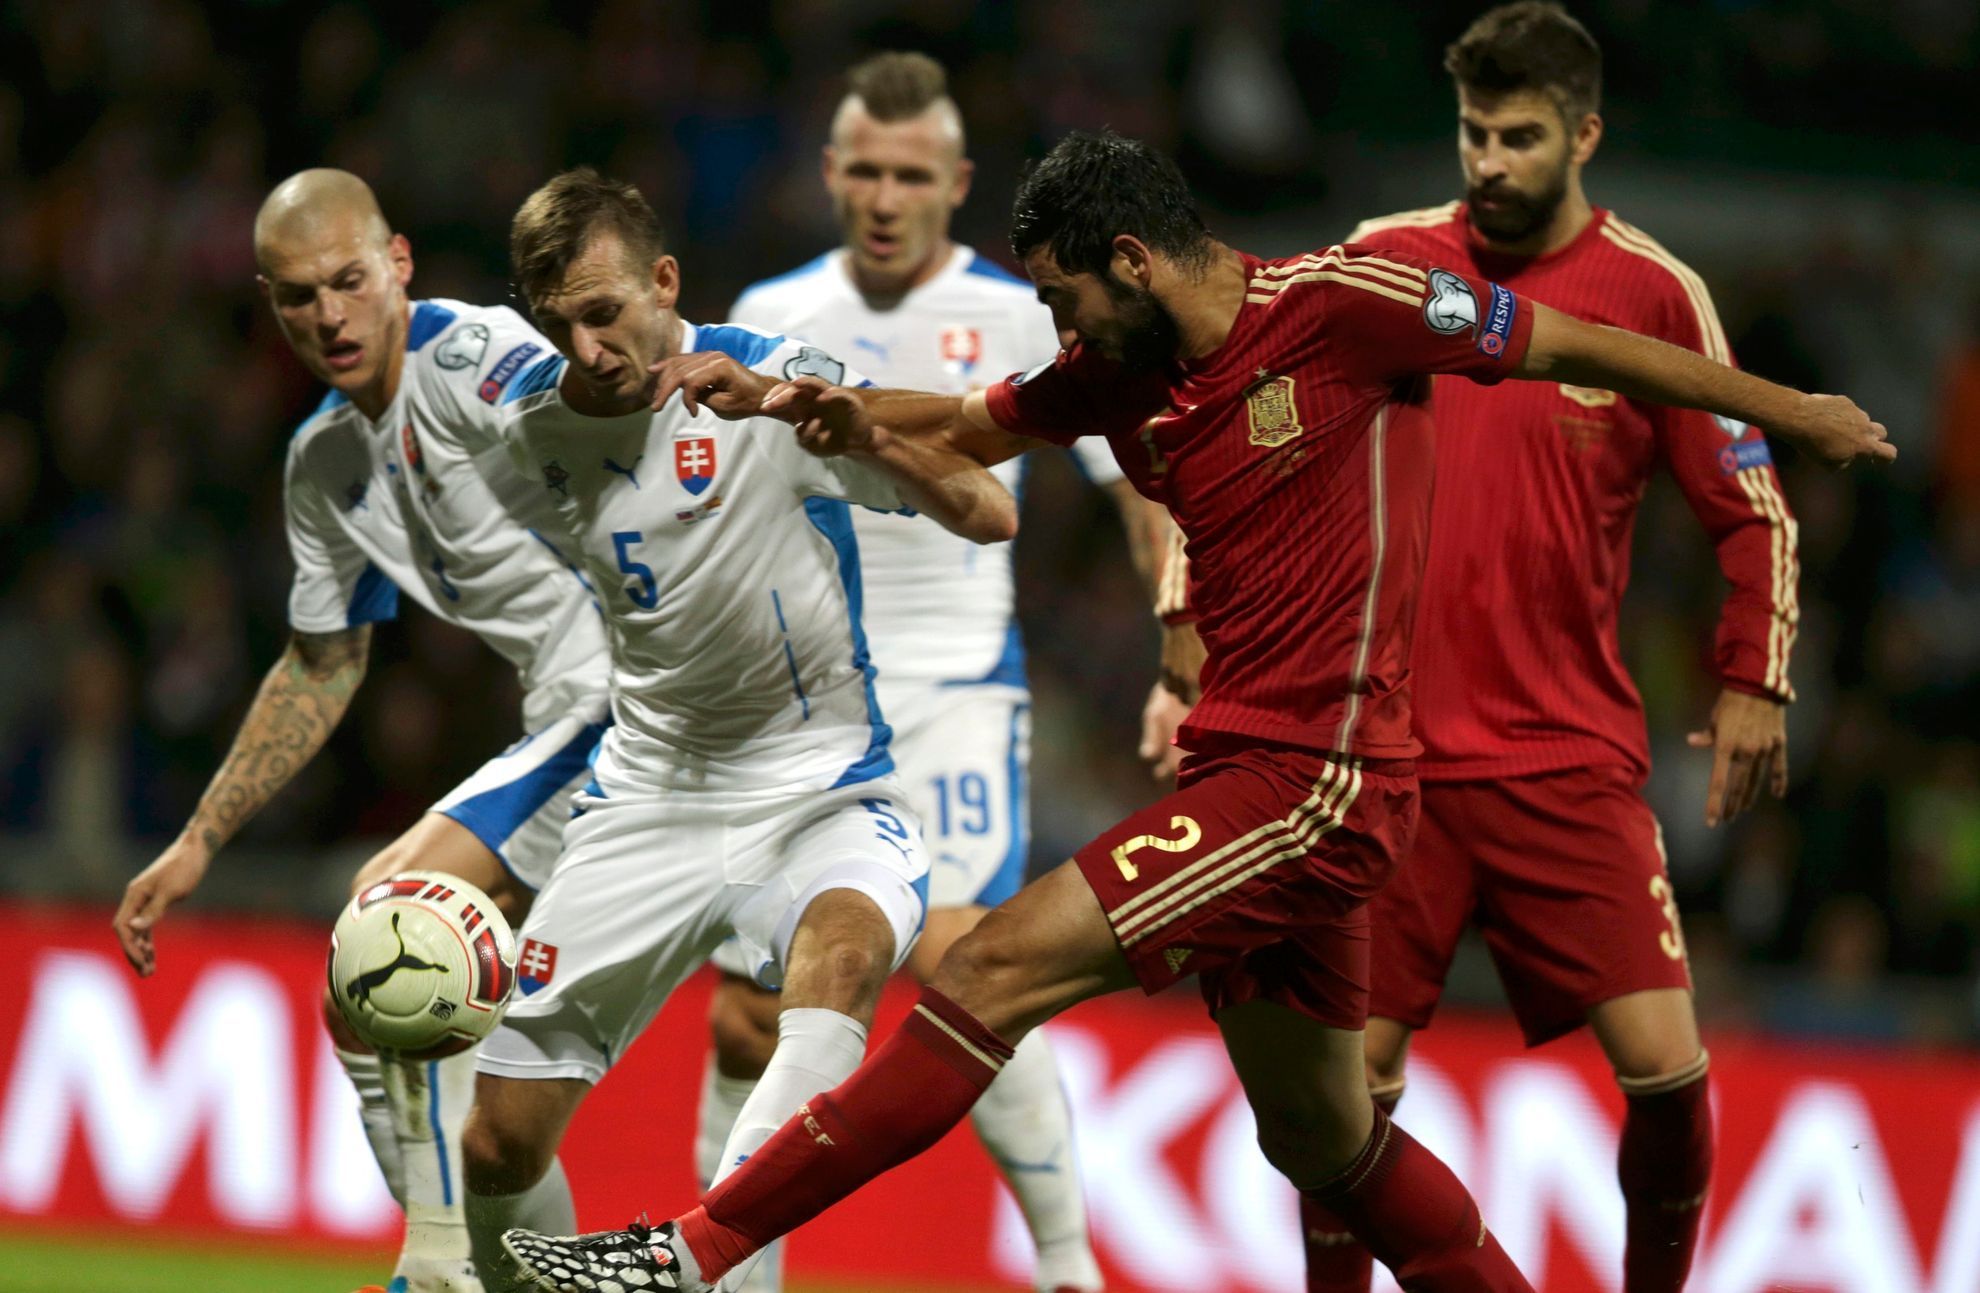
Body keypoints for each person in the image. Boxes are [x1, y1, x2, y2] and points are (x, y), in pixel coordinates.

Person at [498, 130, 1890, 1293]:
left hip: (1314, 780)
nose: (1057, 330)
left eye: (1062, 296)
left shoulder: (1356, 306)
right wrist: (812, 404)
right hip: (1257, 771)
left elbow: (1588, 342)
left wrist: (1794, 410)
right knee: (1326, 1140)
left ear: (1132, 262)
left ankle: (689, 1249)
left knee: (982, 975)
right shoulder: (1122, 370)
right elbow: (975, 423)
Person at [1287, 7, 1797, 1289]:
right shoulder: (1386, 263)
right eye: (1474, 134)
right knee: (1347, 1100)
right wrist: (1190, 626)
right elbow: (1254, 407)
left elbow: (1752, 500)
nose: (1491, 162)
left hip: (1561, 754)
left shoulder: (1653, 295)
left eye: (1521, 137)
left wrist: (1754, 675)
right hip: (1385, 753)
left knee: (1670, 1077)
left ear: (1584, 136)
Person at [457, 167, 1016, 1287]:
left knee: (845, 955)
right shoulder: (530, 442)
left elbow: (988, 510)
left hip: (821, 792)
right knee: (495, 1145)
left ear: (665, 284)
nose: (590, 346)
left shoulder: (774, 385)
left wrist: (852, 429)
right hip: (647, 803)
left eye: (607, 311)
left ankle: (700, 1268)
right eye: (559, 323)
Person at [110, 169, 612, 1293]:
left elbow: (608, 397)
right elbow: (325, 658)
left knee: (386, 930)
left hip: (639, 699)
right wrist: (200, 839)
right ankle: (478, 1263)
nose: (329, 316)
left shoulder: (472, 359)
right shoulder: (327, 463)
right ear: (268, 302)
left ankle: (435, 1267)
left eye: (348, 281)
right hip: (573, 717)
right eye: (298, 297)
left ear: (398, 264)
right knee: (419, 1040)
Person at [702, 51, 1152, 1293]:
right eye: (867, 170)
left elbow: (1135, 484)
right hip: (806, 709)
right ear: (833, 172)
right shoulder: (773, 307)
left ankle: (1066, 1267)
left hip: (956, 696)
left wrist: (1183, 646)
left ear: (956, 183)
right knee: (751, 1013)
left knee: (964, 962)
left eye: (914, 175)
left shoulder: (1019, 312)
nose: (887, 196)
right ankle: (737, 1275)